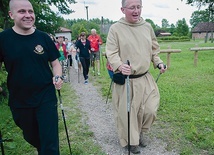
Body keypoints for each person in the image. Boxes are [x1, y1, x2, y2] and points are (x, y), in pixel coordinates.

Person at [0, 0, 63, 154]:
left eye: (31, 11)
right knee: (31, 136)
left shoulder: (43, 38)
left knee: (50, 141)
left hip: (45, 96)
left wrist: (58, 76)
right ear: (11, 14)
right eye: (22, 11)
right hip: (19, 99)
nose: (28, 15)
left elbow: (55, 63)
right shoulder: (3, 39)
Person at [105, 0, 167, 154]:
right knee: (129, 114)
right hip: (127, 80)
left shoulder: (147, 27)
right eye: (132, 7)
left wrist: (158, 62)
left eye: (139, 7)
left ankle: (140, 132)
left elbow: (154, 49)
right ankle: (132, 141)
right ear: (122, 9)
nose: (136, 11)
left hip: (145, 78)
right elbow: (111, 52)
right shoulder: (116, 29)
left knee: (150, 109)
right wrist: (120, 66)